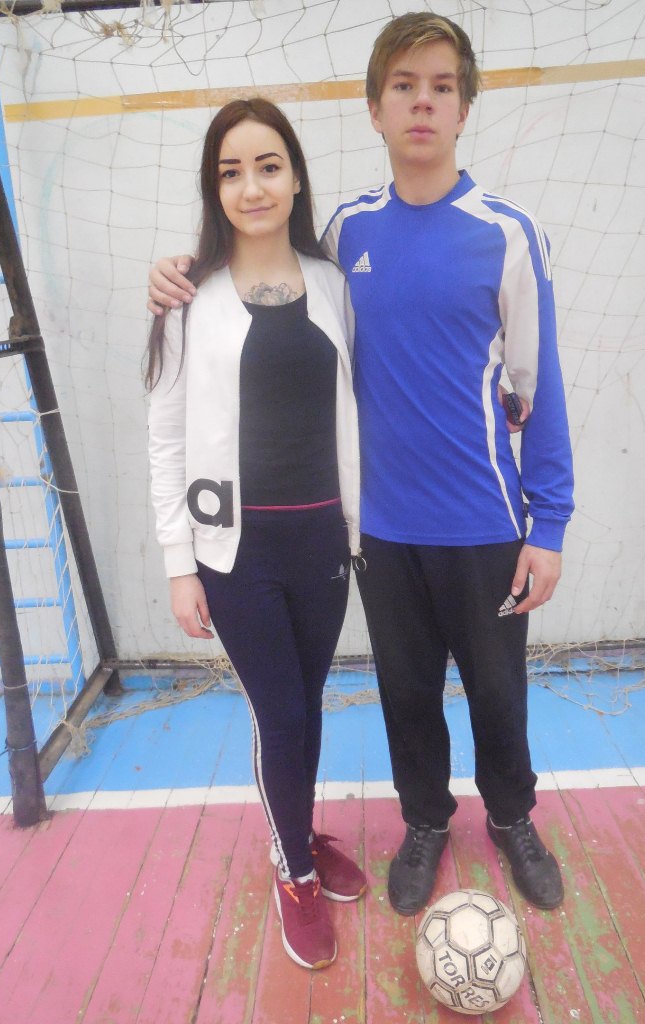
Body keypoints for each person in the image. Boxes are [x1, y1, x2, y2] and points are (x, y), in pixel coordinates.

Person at [147, 14, 574, 917]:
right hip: (378, 527)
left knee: (499, 694)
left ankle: (512, 817)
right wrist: (182, 270)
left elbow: (539, 392)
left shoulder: (508, 234)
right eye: (404, 86)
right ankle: (424, 822)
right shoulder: (345, 237)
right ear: (374, 108)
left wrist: (552, 524)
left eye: (442, 86)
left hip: (487, 523)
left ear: (463, 107)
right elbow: (264, 276)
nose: (423, 102)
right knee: (405, 694)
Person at [145, 98, 366, 972]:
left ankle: (296, 830)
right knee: (278, 711)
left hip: (323, 545)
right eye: (230, 172)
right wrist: (178, 565)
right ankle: (295, 871)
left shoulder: (335, 284)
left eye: (267, 165)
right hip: (235, 554)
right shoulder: (184, 298)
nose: (252, 186)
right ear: (215, 189)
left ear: (296, 176)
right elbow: (164, 438)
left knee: (306, 705)